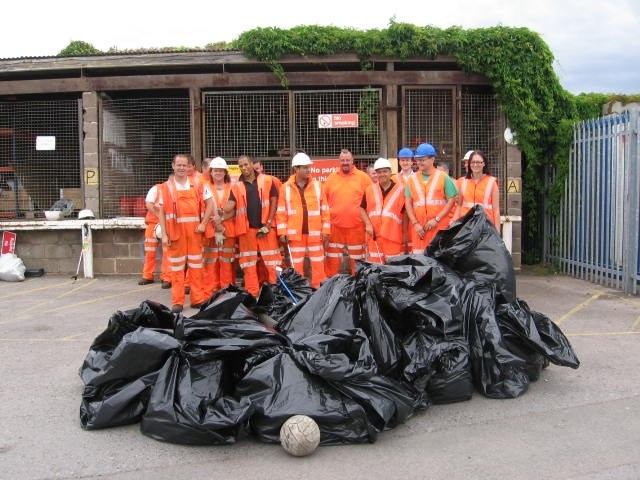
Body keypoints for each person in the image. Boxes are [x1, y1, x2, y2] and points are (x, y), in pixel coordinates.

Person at [158, 154, 215, 313]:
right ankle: (178, 301)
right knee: (176, 269)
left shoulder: (197, 183)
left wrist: (204, 223)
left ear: (190, 167)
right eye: (179, 165)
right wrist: (164, 234)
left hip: (195, 232)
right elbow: (161, 212)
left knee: (196, 267)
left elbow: (210, 203)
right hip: (176, 233)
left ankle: (197, 299)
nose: (182, 168)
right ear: (173, 166)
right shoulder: (166, 187)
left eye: (185, 165)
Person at [223, 154, 282, 297]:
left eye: (246, 164)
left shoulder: (268, 180)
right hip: (246, 231)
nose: (244, 168)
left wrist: (268, 224)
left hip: (266, 229)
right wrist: (219, 211)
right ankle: (252, 294)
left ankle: (276, 293)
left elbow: (274, 202)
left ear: (251, 164)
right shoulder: (236, 186)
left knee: (273, 264)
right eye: (241, 166)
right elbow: (230, 206)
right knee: (248, 265)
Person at [276, 152, 330, 289]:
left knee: (318, 265)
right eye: (305, 167)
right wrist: (282, 231)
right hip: (295, 235)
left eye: (309, 167)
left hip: (315, 233)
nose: (308, 170)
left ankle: (320, 289)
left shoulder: (318, 186)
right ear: (296, 169)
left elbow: (325, 210)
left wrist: (326, 230)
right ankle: (300, 291)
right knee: (296, 266)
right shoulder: (285, 188)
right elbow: (281, 211)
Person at [323, 148, 373, 276]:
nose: (345, 162)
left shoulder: (363, 178)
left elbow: (371, 201)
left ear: (352, 160)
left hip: (357, 228)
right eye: (342, 160)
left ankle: (357, 290)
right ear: (339, 161)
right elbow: (324, 202)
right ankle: (329, 289)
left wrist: (368, 223)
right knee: (331, 263)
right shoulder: (331, 178)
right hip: (335, 229)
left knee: (358, 265)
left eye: (348, 160)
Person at [405, 143, 458, 252]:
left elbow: (451, 200)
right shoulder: (412, 179)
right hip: (419, 230)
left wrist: (436, 219)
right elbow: (408, 202)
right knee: (420, 262)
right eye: (417, 160)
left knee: (438, 262)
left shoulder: (443, 177)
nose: (419, 162)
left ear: (432, 159)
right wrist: (415, 223)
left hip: (438, 228)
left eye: (422, 160)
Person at [201, 157, 236, 297]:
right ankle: (210, 291)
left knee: (226, 261)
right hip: (210, 230)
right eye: (215, 170)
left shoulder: (233, 187)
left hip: (228, 228)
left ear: (225, 172)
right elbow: (203, 208)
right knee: (210, 261)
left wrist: (220, 221)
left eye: (221, 170)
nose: (218, 173)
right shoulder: (204, 187)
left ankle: (226, 290)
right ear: (211, 172)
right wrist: (215, 225)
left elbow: (235, 208)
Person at [360, 158, 405, 264]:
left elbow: (406, 213)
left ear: (390, 172)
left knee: (393, 270)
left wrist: (405, 234)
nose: (382, 174)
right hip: (375, 237)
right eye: (379, 172)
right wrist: (368, 224)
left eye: (385, 171)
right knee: (376, 270)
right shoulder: (370, 190)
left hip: (393, 237)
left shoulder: (401, 189)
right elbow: (361, 208)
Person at [453, 150, 501, 230]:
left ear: (484, 164)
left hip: (485, 227)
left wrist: (497, 231)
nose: (475, 165)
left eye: (478, 162)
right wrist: (454, 222)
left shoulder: (492, 183)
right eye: (473, 162)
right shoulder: (462, 182)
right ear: (469, 164)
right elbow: (459, 205)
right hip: (465, 227)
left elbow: (496, 211)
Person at [137, 183, 171, 288]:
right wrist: (160, 217)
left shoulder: (174, 189)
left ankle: (167, 278)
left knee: (168, 252)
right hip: (154, 223)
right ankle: (147, 276)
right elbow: (149, 204)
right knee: (150, 251)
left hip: (167, 224)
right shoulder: (157, 189)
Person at [392, 147, 416, 253]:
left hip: (413, 215)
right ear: (399, 162)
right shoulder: (394, 178)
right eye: (402, 160)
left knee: (412, 241)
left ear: (412, 161)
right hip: (398, 215)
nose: (404, 162)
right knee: (400, 240)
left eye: (407, 160)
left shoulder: (417, 177)